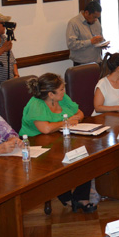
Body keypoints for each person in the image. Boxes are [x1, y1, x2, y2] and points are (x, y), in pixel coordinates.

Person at [20, 73, 95, 213]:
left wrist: (74, 119)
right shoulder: (36, 104)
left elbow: (80, 113)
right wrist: (66, 121)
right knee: (58, 162)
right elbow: (45, 129)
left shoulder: (62, 98)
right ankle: (66, 196)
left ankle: (81, 198)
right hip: (37, 146)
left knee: (85, 156)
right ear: (51, 94)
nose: (64, 91)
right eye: (61, 89)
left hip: (60, 138)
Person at [66, 1, 106, 65]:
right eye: (94, 17)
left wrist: (102, 43)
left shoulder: (96, 22)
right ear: (86, 13)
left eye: (97, 17)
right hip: (82, 64)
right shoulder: (73, 23)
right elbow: (71, 44)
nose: (96, 19)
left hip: (97, 62)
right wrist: (90, 42)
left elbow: (100, 37)